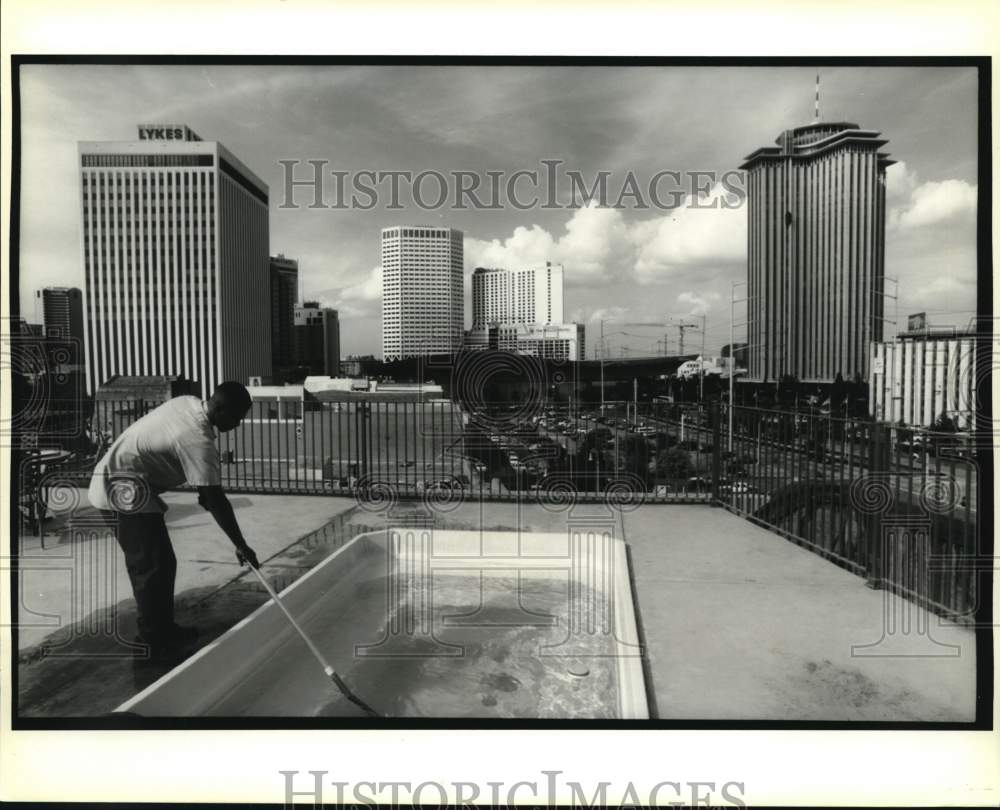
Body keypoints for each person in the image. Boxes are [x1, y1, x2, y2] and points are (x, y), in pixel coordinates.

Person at [88, 381, 261, 657]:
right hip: (119, 487)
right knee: (150, 565)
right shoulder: (197, 439)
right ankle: (153, 641)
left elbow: (206, 494)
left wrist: (208, 495)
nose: (238, 424)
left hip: (129, 482)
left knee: (163, 562)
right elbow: (214, 499)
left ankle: (163, 628)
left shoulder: (188, 403)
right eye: (237, 417)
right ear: (220, 408)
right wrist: (241, 545)